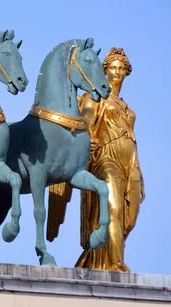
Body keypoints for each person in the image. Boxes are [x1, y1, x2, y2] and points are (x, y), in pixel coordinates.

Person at [76, 48, 144, 271]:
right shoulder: (95, 98)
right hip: (106, 160)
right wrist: (87, 140)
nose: (116, 72)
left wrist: (138, 172)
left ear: (126, 72)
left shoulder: (126, 107)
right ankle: (116, 264)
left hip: (130, 163)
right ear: (105, 71)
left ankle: (104, 254)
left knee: (129, 218)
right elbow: (83, 128)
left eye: (121, 68)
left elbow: (133, 140)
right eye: (112, 68)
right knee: (113, 208)